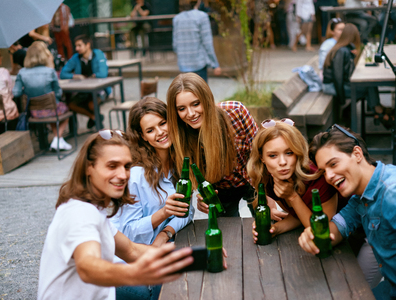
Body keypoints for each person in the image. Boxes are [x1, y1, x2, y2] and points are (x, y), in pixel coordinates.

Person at [37, 129, 194, 300]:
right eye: (112, 166)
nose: (122, 175)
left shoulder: (95, 212)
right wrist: (137, 273)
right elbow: (88, 266)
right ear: (89, 167)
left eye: (127, 166)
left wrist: (193, 256)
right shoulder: (80, 212)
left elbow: (131, 250)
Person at [299, 125, 396, 299]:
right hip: (392, 289)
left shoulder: (395, 194)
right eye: (323, 171)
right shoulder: (362, 194)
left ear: (357, 154)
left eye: (333, 164)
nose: (328, 177)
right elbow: (339, 227)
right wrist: (313, 235)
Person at [110, 97, 195, 300]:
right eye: (150, 130)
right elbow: (126, 234)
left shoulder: (177, 163)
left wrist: (165, 233)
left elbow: (187, 210)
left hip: (156, 251)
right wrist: (163, 213)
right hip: (125, 263)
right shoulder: (136, 175)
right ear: (143, 137)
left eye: (163, 123)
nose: (160, 133)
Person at [166, 73, 258, 217]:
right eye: (182, 109)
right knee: (229, 234)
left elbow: (259, 153)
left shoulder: (236, 112)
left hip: (253, 177)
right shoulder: (181, 138)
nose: (190, 114)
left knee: (266, 225)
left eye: (196, 104)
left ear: (206, 99)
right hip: (221, 189)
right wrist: (201, 200)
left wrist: (267, 193)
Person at [247, 118, 339, 241]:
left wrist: (292, 196)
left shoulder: (319, 178)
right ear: (262, 157)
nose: (282, 162)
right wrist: (274, 229)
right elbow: (299, 215)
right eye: (273, 155)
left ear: (298, 152)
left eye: (289, 153)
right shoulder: (268, 178)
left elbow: (319, 232)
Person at [322, 24, 389, 128]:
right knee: (368, 87)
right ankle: (377, 111)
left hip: (338, 84)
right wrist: (342, 99)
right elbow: (337, 76)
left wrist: (353, 56)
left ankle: (376, 111)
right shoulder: (341, 51)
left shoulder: (346, 48)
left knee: (368, 85)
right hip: (331, 86)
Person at [13, 41, 72, 151]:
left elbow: (16, 93)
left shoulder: (22, 73)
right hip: (52, 109)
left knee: (52, 109)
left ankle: (58, 140)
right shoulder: (50, 71)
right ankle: (57, 139)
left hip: (34, 112)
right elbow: (58, 92)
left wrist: (26, 92)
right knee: (66, 110)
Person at [60, 34, 110, 129]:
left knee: (91, 105)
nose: (77, 48)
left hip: (99, 90)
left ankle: (97, 124)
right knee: (71, 105)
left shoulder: (98, 54)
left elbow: (103, 73)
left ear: (87, 45)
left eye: (79, 45)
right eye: (76, 46)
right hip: (83, 91)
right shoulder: (76, 57)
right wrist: (74, 76)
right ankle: (94, 117)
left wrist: (91, 76)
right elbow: (63, 74)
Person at [172, 1, 222, 83]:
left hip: (183, 65)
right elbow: (207, 43)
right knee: (201, 94)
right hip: (199, 63)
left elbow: (175, 45)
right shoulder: (202, 17)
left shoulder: (177, 19)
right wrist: (215, 64)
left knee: (188, 92)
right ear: (198, 1)